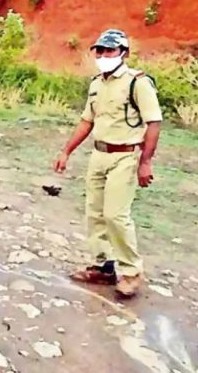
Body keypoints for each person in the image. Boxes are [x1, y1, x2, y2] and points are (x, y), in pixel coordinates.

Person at [54, 28, 162, 298]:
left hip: (126, 155)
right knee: (95, 213)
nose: (103, 56)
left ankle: (131, 271)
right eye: (99, 51)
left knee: (116, 215)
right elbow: (87, 121)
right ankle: (103, 266)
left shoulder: (137, 83)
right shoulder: (97, 84)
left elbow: (153, 122)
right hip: (99, 154)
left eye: (109, 51)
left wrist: (145, 162)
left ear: (123, 53)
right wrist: (67, 151)